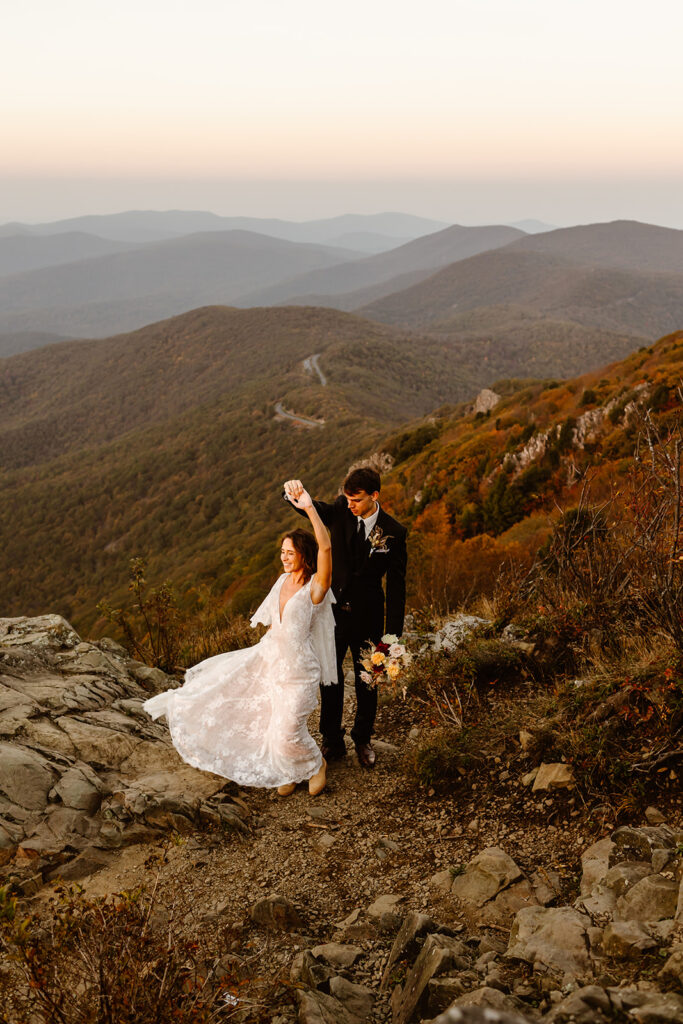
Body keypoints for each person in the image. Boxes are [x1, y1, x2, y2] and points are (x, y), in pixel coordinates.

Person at [142, 487, 334, 797]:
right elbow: (275, 627)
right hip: (273, 664)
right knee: (270, 725)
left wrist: (310, 508)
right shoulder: (281, 580)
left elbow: (325, 549)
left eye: (290, 552)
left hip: (300, 672)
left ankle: (316, 763)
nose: (283, 558)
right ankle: (292, 769)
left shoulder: (315, 588)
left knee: (289, 729)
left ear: (304, 555)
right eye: (282, 552)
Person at [284, 467, 407, 768]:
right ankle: (331, 740)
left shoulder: (394, 532)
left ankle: (362, 738)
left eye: (356, 499)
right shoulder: (340, 510)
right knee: (330, 678)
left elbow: (397, 587)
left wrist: (392, 637)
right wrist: (293, 493)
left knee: (368, 680)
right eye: (347, 498)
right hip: (333, 616)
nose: (350, 504)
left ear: (374, 496)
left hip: (369, 617)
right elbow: (314, 509)